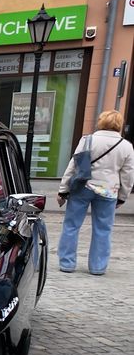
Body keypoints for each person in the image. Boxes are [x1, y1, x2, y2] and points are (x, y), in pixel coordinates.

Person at [56, 109, 134, 276]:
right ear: (119, 125)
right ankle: (98, 267)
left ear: (101, 122)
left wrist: (63, 190)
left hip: (82, 187)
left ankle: (67, 263)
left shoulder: (87, 140)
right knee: (103, 229)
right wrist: (123, 197)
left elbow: (73, 165)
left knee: (71, 226)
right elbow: (128, 175)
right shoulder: (126, 146)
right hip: (108, 191)